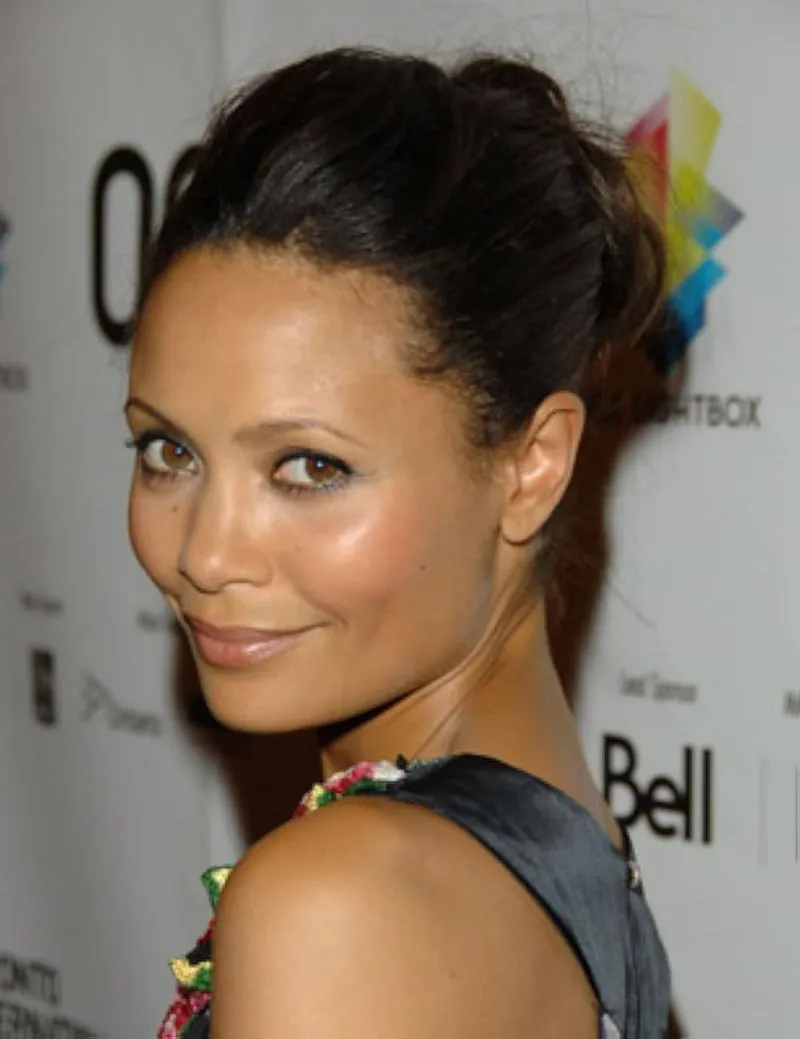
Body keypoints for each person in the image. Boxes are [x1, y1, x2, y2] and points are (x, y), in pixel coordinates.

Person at [126, 46, 670, 1038]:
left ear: (532, 465)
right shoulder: (557, 841)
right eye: (169, 451)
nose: (205, 554)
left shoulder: (338, 904)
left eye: (309, 466)